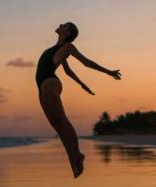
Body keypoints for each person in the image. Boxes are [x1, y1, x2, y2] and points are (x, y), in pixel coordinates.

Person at [36, 22, 121, 177]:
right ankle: (72, 159)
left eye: (64, 24)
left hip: (49, 82)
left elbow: (86, 62)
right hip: (42, 86)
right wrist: (82, 85)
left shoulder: (68, 47)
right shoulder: (58, 49)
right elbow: (68, 71)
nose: (60, 24)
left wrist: (108, 72)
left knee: (62, 121)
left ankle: (77, 155)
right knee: (57, 125)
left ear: (67, 32)